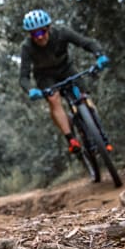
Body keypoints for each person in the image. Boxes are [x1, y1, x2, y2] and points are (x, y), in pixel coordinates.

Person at [19, 9, 109, 153]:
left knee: (83, 96)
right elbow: (23, 77)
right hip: (45, 76)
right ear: (30, 35)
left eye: (42, 31)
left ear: (48, 28)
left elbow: (86, 42)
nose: (39, 37)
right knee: (53, 99)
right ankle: (71, 139)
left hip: (66, 68)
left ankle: (97, 130)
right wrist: (31, 90)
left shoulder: (61, 33)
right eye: (35, 33)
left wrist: (99, 55)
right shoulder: (27, 47)